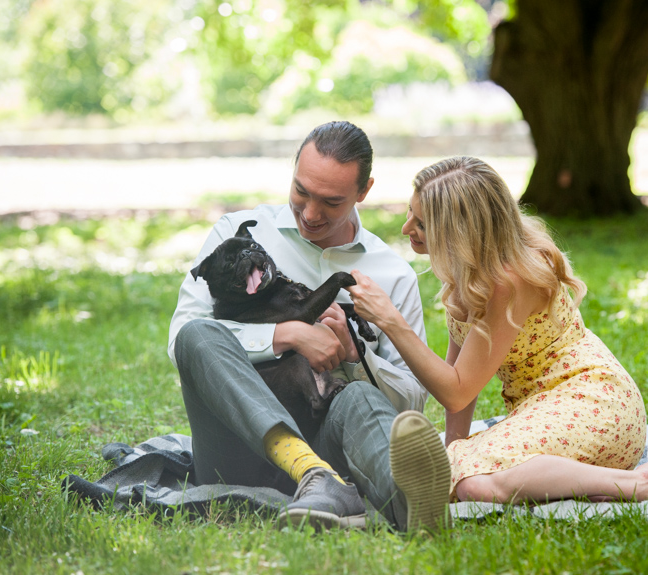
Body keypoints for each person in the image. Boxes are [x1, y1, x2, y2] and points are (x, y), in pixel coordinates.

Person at [346, 156, 648, 505]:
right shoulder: (472, 271)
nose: (406, 228)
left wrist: (391, 321)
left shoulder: (507, 281)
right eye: (411, 214)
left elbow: (457, 391)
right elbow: (457, 383)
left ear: (459, 232)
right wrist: (455, 450)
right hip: (545, 406)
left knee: (473, 484)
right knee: (460, 474)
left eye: (422, 223)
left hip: (595, 402)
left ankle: (645, 484)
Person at [168, 121, 450, 531]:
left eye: (332, 202)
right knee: (199, 333)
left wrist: (357, 357)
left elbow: (411, 402)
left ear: (364, 191)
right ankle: (310, 473)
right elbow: (183, 342)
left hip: (330, 449)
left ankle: (414, 508)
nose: (311, 213)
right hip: (231, 451)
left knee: (359, 398)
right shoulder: (237, 235)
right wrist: (288, 335)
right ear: (293, 171)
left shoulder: (392, 274)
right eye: (301, 191)